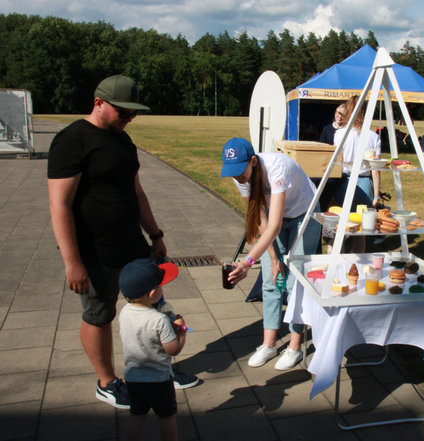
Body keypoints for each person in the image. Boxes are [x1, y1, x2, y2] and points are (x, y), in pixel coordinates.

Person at [47, 74, 194, 409]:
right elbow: (59, 205)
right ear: (98, 102)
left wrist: (155, 234)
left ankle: (156, 366)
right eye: (123, 112)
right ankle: (107, 381)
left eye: (133, 113)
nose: (130, 118)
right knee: (99, 314)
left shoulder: (123, 141)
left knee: (153, 305)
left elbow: (137, 192)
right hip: (96, 253)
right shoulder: (72, 141)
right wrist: (73, 262)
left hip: (133, 246)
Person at [220, 138, 321, 370]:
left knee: (297, 281)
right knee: (270, 279)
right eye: (232, 172)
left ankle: (295, 347)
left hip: (304, 214)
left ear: (253, 161)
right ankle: (269, 344)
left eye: (240, 170)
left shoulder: (277, 167)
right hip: (275, 219)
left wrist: (247, 262)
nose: (237, 177)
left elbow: (274, 225)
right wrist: (273, 259)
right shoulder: (242, 178)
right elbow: (262, 221)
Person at [118, 258, 187, 441]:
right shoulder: (159, 320)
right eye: (161, 286)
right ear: (152, 293)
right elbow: (172, 349)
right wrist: (181, 330)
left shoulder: (124, 312)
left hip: (133, 377)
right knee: (166, 416)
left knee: (137, 414)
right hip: (158, 380)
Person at [333, 95, 382, 209]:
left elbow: (335, 165)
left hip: (343, 183)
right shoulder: (373, 137)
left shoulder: (339, 134)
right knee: (363, 222)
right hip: (364, 182)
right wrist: (376, 196)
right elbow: (375, 170)